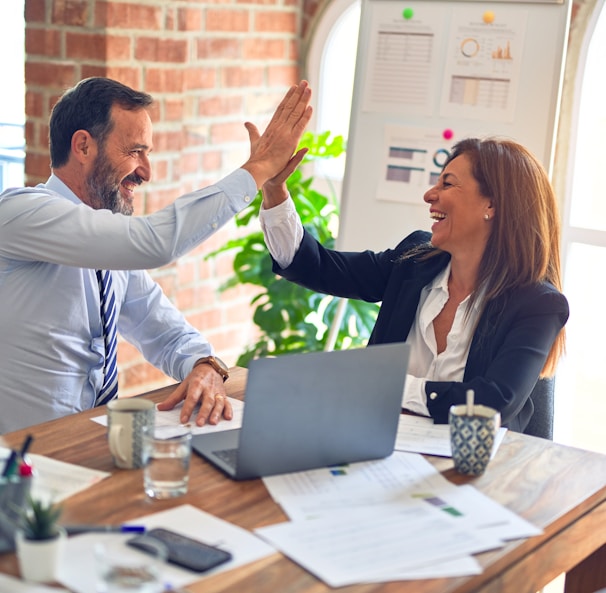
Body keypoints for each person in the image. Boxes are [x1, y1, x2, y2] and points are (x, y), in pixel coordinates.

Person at [0, 76, 312, 433]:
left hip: (88, 446)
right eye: (135, 152)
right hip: (19, 461)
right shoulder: (20, 213)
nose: (147, 172)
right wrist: (256, 170)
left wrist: (204, 366)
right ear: (83, 147)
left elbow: (167, 333)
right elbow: (153, 242)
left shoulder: (109, 247)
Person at [258, 137, 569, 433]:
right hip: (379, 447)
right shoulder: (414, 261)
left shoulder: (538, 304)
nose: (429, 194)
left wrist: (388, 386)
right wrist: (274, 189)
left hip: (476, 471)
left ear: (492, 205)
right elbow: (318, 267)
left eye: (447, 183)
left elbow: (492, 403)